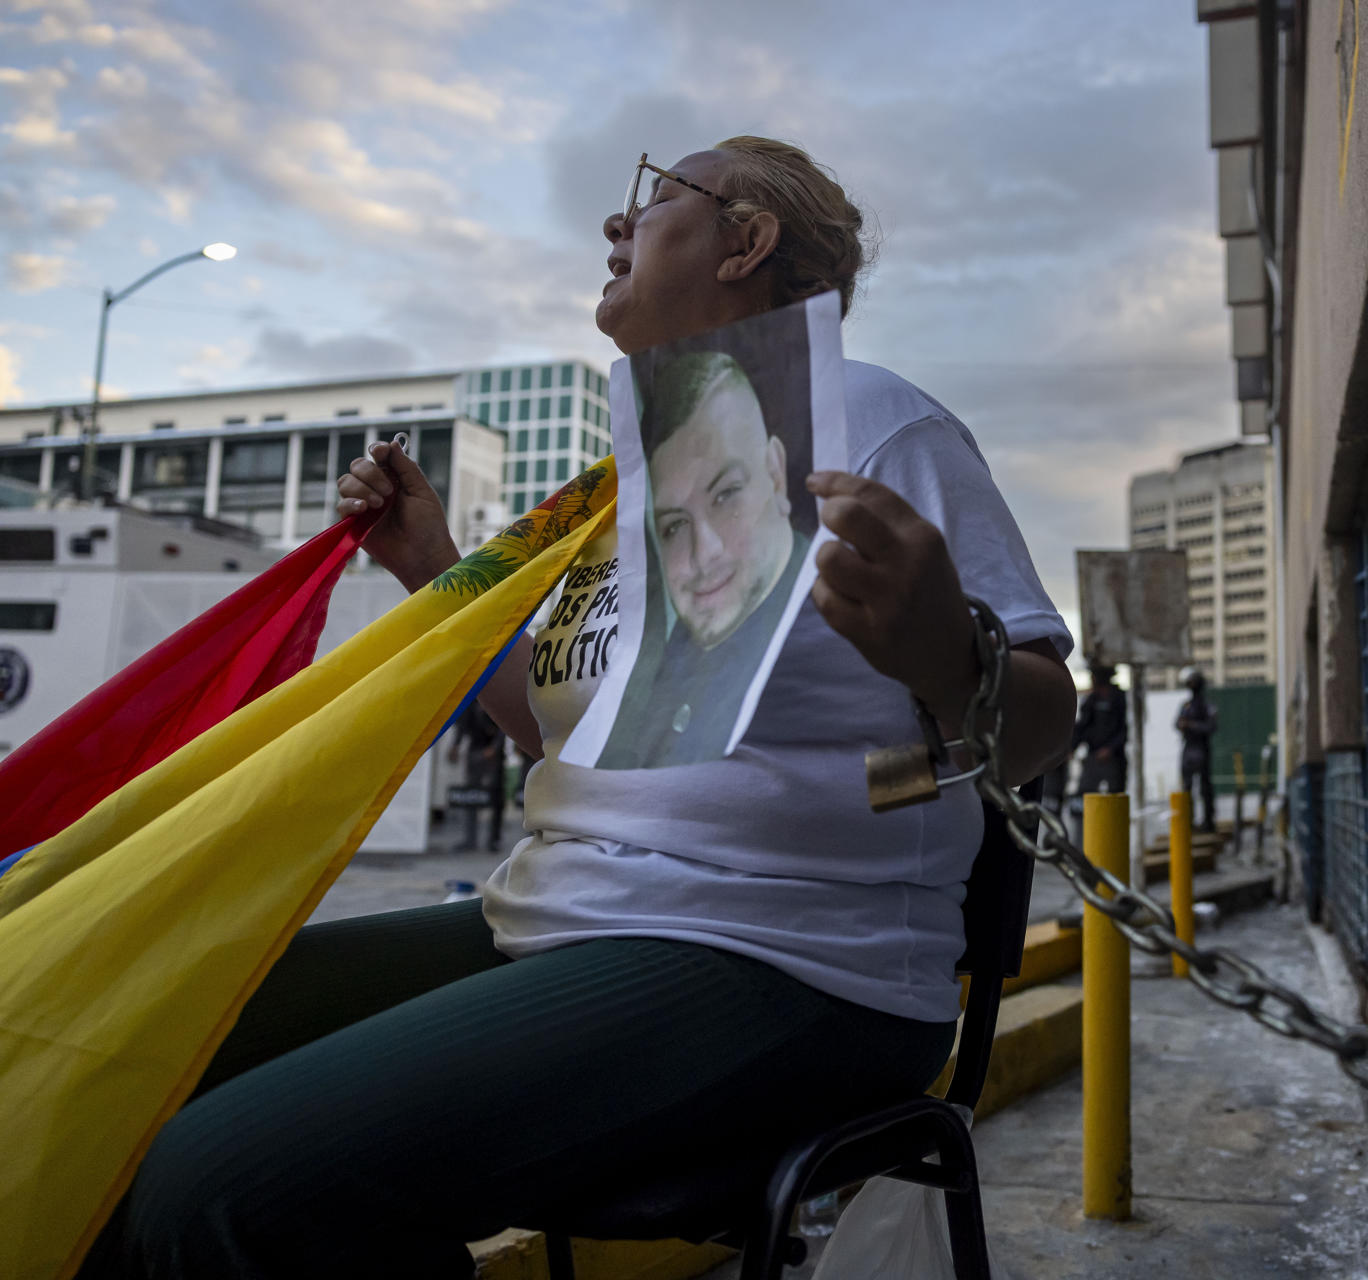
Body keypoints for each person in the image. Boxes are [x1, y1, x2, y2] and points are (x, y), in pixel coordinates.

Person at [82, 136, 1077, 1280]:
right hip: (557, 915)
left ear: (747, 242)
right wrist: (432, 565)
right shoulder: (631, 475)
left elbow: (1041, 719)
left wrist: (949, 652)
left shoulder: (877, 419)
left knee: (218, 1185)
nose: (616, 225)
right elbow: (552, 732)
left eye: (653, 197)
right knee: (128, 1034)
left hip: (784, 955)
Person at [597, 350, 809, 768]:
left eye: (726, 494)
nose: (704, 551)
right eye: (674, 525)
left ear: (777, 474)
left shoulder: (844, 624)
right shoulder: (667, 657)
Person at [448, 703, 507, 852]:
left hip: (494, 754)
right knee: (471, 795)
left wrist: (495, 748)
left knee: (495, 798)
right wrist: (455, 745)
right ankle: (470, 839)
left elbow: (504, 726)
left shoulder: (495, 696)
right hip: (475, 749)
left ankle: (494, 839)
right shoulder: (470, 700)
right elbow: (462, 725)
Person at [1071, 664, 1127, 797]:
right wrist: (1072, 748)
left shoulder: (1118, 698)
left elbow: (1124, 730)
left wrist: (1110, 749)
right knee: (1085, 794)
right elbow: (1082, 726)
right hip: (1093, 755)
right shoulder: (1091, 699)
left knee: (1113, 797)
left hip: (1113, 758)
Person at [1175, 667, 1218, 832]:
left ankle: (1208, 822)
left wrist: (1191, 725)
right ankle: (1188, 822)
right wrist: (1182, 725)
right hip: (1188, 748)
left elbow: (1211, 727)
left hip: (1201, 748)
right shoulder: (1186, 705)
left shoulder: (1207, 705)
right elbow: (1177, 723)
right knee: (1187, 788)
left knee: (1205, 788)